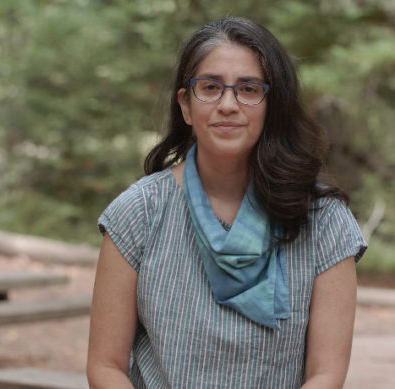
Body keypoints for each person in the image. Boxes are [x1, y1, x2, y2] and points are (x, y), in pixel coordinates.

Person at [87, 17, 367, 389]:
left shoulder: (323, 220)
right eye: (210, 87)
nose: (228, 104)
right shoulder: (138, 213)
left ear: (272, 105)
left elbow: (326, 375)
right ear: (186, 106)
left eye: (249, 89)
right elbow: (105, 367)